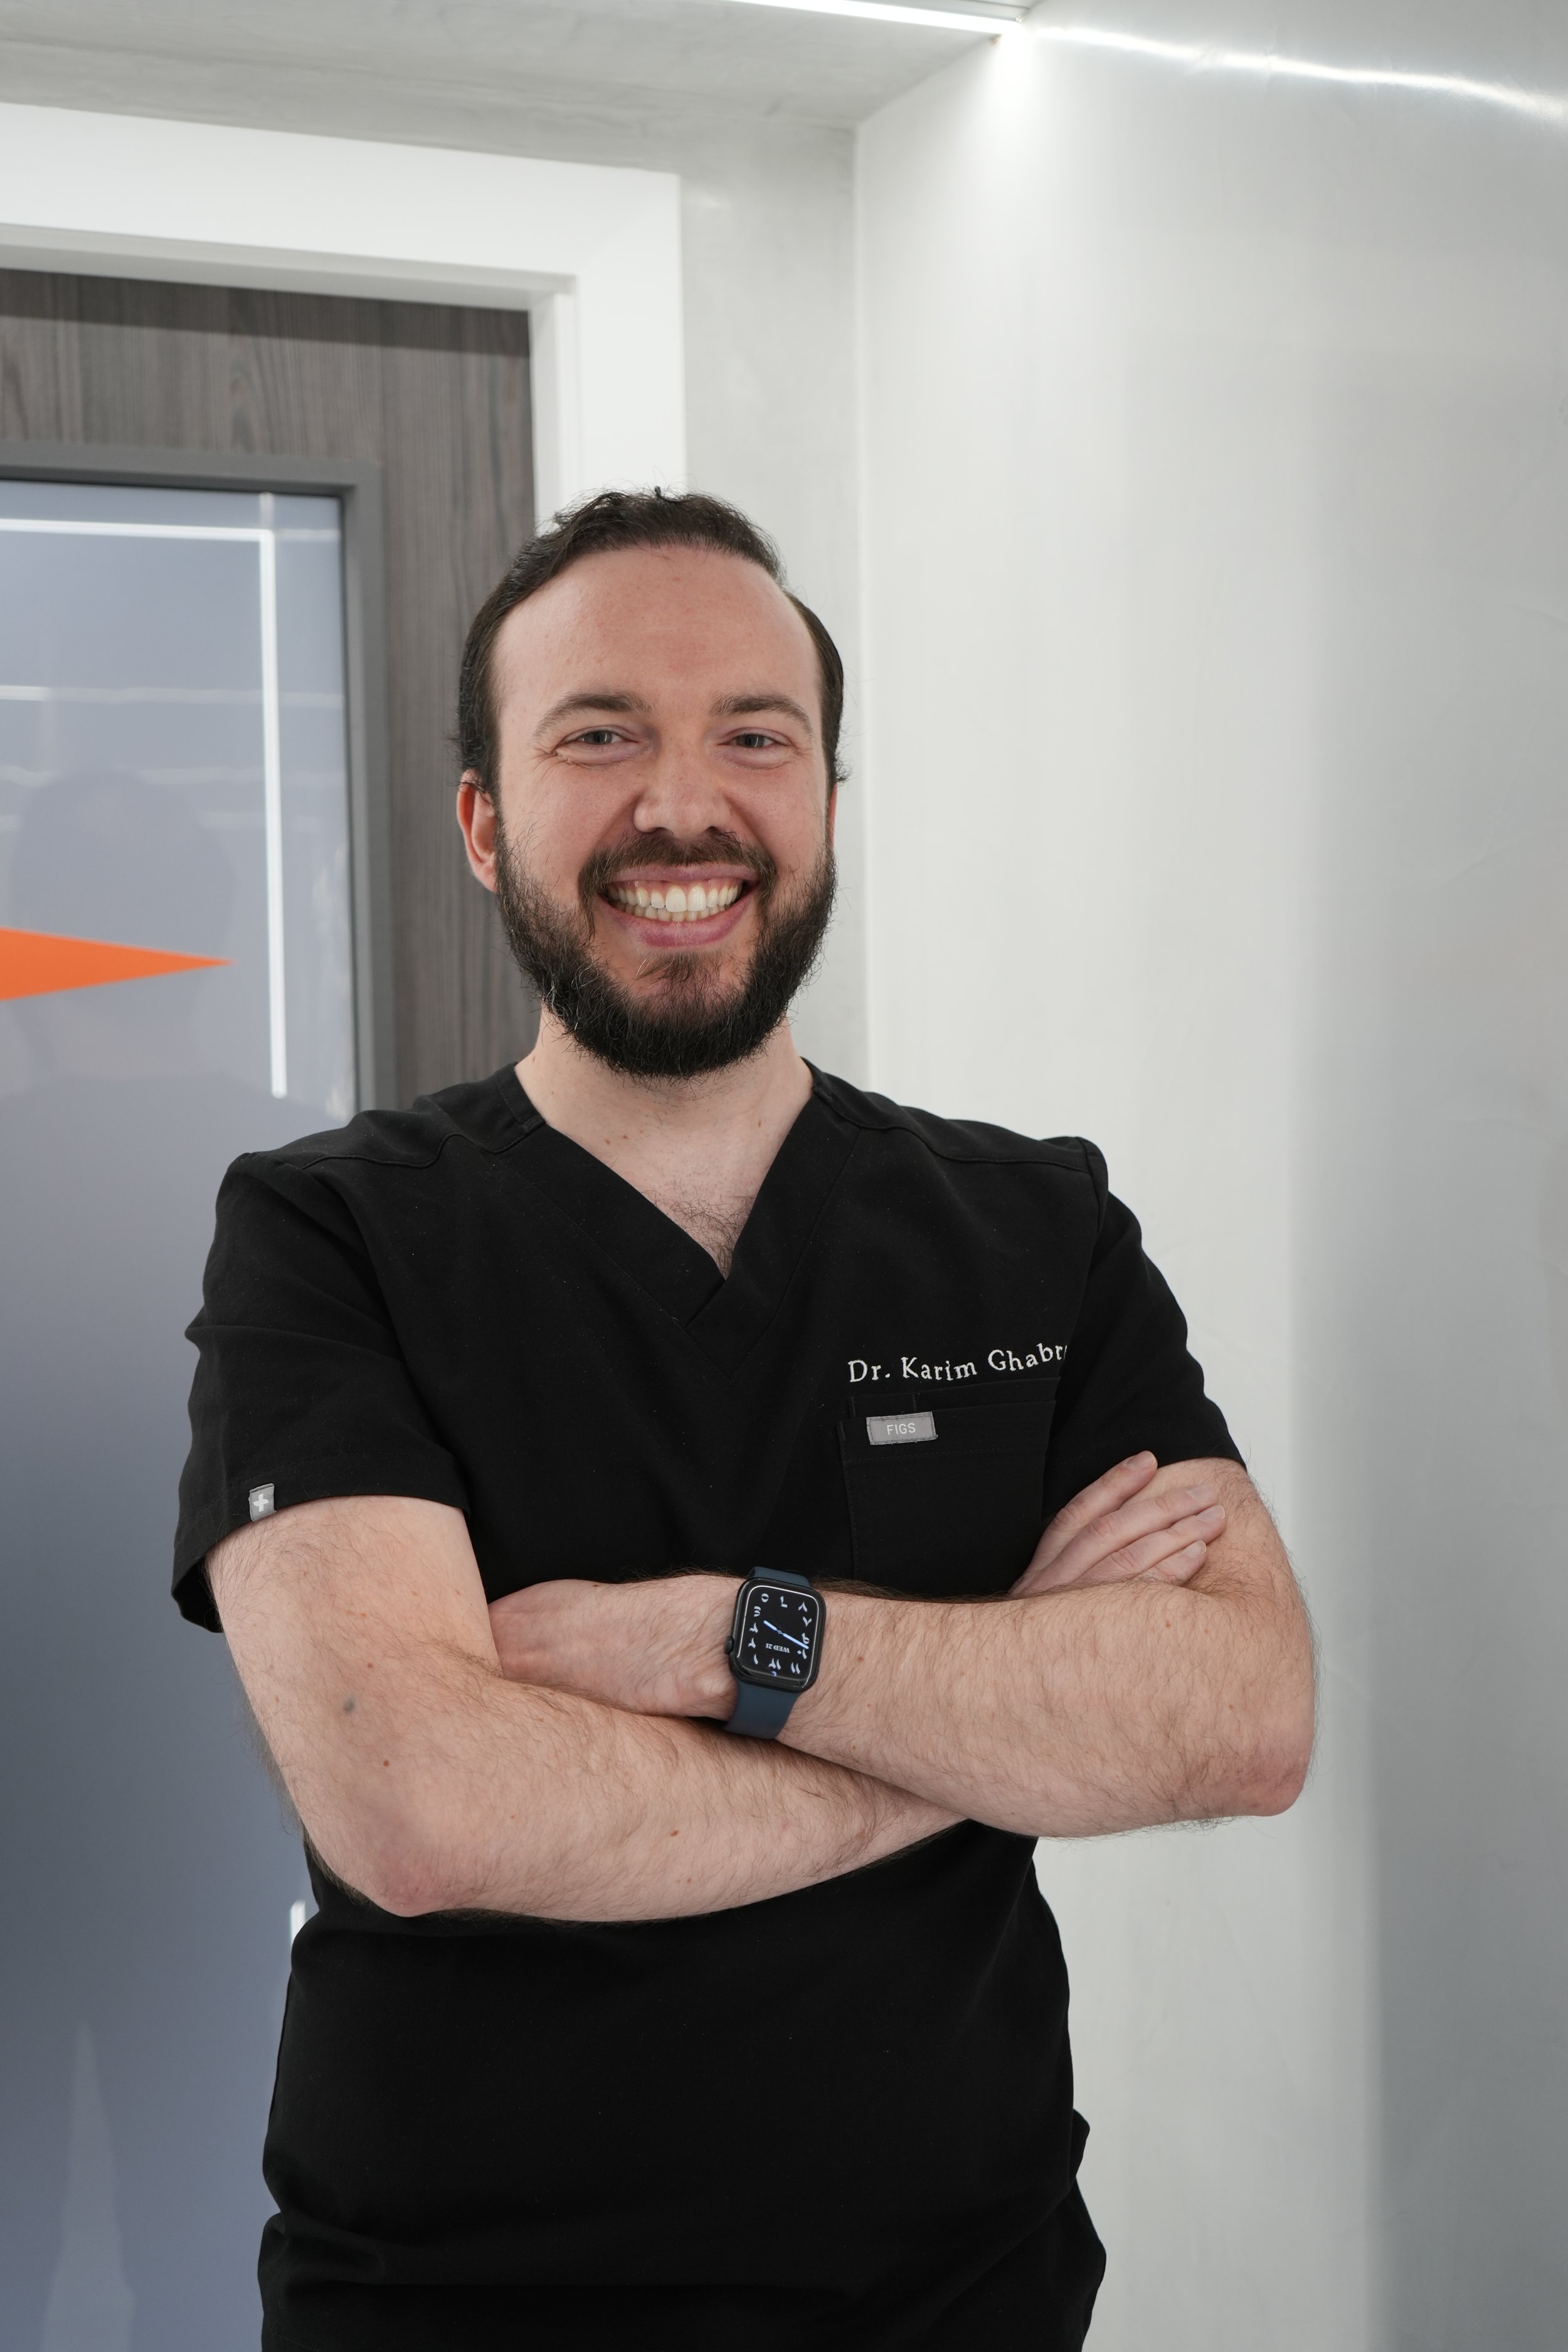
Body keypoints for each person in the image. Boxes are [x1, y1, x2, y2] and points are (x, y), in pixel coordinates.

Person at [172, 489, 1315, 2351]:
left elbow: (1241, 1720)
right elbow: (424, 1809)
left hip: (969, 2297)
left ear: (826, 808)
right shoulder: (331, 1231)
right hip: (458, 2309)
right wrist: (992, 1709)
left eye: (753, 738)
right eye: (598, 734)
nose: (680, 807)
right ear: (485, 822)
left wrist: (721, 1641)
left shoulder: (1035, 1228)